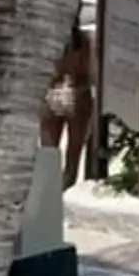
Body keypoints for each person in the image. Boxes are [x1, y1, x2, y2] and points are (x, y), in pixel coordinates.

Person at [40, 27, 94, 186]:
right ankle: (62, 186)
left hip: (54, 90)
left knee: (49, 149)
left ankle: (49, 188)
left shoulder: (49, 38)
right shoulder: (85, 40)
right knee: (73, 151)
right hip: (77, 91)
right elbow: (89, 69)